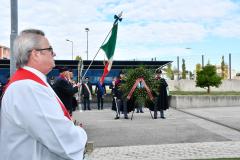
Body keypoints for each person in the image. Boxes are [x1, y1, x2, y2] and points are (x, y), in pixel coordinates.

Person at [0, 29, 87, 160]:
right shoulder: (28, 87)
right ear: (35, 54)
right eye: (50, 50)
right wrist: (81, 133)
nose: (54, 53)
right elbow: (62, 140)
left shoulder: (28, 83)